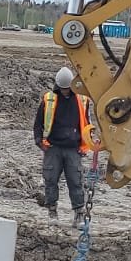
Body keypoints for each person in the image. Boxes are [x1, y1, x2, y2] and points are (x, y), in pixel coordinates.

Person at [34, 66, 95, 219]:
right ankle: (52, 211)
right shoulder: (49, 99)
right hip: (53, 147)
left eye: (67, 89)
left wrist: (86, 146)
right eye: (63, 89)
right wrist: (39, 141)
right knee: (50, 179)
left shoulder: (82, 100)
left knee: (75, 181)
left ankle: (78, 212)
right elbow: (38, 123)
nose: (65, 91)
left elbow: (87, 124)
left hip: (73, 148)